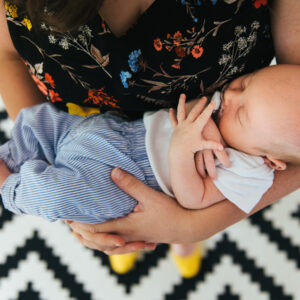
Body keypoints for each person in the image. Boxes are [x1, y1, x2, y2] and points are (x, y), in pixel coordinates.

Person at [1, 0, 300, 273]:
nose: (230, 96)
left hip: (140, 179)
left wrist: (189, 229)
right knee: (106, 221)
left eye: (242, 113)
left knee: (75, 200)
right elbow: (7, 54)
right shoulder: (227, 109)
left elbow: (195, 199)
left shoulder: (249, 165)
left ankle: (14, 190)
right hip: (83, 134)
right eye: (243, 84)